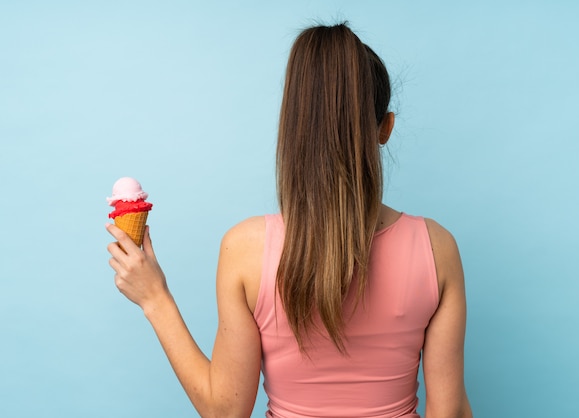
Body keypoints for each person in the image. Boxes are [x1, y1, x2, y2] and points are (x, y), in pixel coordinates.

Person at [106, 23, 472, 418]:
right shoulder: (437, 248)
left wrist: (154, 299)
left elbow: (225, 411)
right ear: (385, 128)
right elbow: (450, 413)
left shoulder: (244, 249)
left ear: (294, 130)